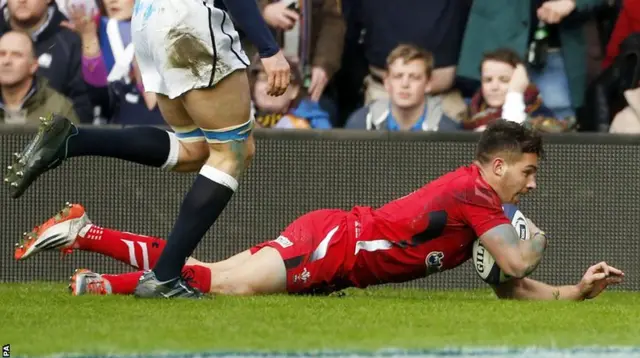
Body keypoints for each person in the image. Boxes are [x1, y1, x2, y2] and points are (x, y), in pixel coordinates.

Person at [15, 120, 624, 300]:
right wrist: (534, 238)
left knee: (206, 276)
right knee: (221, 287)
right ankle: (91, 250)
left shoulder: (481, 206)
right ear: (497, 166)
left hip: (334, 246)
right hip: (336, 245)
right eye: (529, 171)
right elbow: (516, 267)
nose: (533, 184)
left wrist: (577, 291)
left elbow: (513, 290)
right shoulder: (478, 195)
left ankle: (88, 244)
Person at [4, 0, 291, 299]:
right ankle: (165, 277)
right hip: (189, 20)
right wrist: (269, 49)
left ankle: (72, 140)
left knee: (196, 149)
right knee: (232, 152)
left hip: (148, 20)